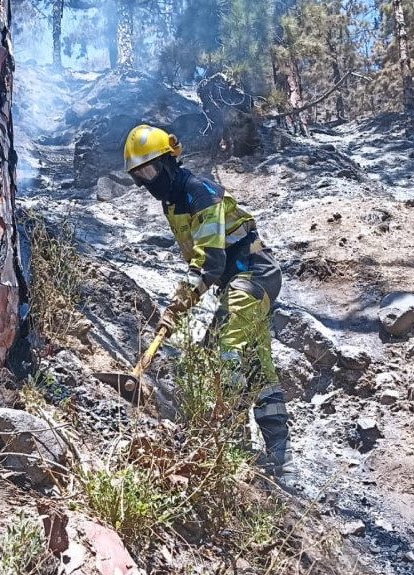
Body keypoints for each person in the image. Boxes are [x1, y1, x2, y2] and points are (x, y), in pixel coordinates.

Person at [123, 124, 297, 493]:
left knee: (223, 352)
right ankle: (279, 459)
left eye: (151, 170)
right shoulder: (173, 203)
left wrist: (178, 305)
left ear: (169, 161)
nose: (148, 181)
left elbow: (210, 262)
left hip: (253, 274)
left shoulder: (198, 191)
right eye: (140, 175)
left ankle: (228, 445)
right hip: (238, 281)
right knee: (255, 362)